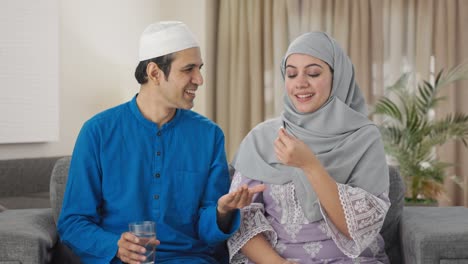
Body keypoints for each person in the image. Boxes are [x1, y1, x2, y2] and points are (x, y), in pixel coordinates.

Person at [58, 21, 265, 264]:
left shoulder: (209, 136)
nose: (199, 79)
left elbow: (208, 230)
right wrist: (113, 245)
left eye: (199, 68)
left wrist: (222, 212)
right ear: (155, 73)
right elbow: (73, 222)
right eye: (188, 69)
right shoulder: (97, 132)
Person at [227, 32, 391, 263]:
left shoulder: (364, 138)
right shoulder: (261, 138)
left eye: (313, 73)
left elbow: (355, 229)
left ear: (338, 77)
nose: (300, 82)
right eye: (291, 73)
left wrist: (309, 165)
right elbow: (241, 224)